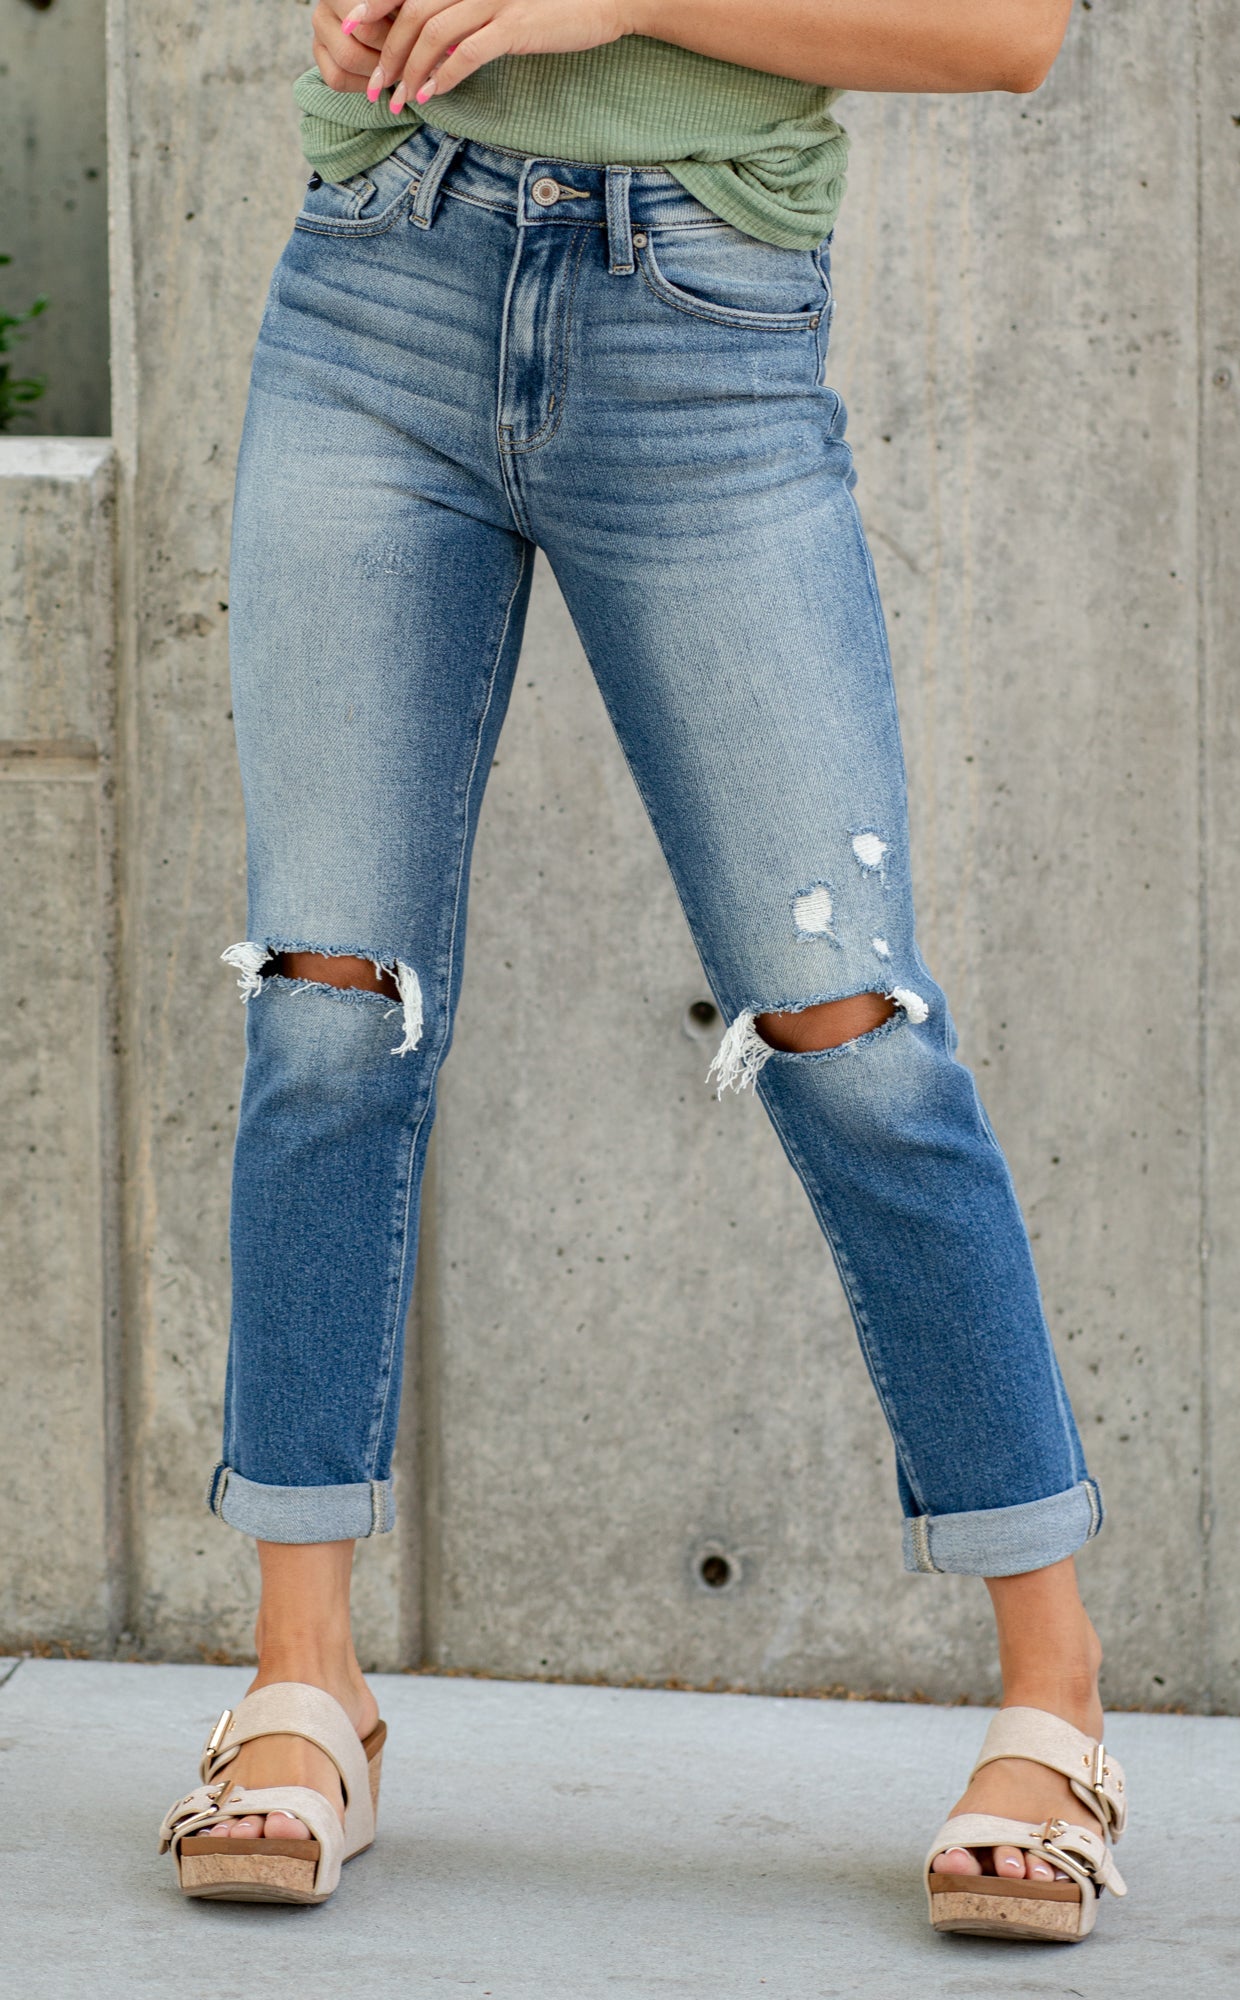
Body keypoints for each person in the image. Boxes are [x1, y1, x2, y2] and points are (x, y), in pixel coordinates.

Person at [157, 0, 1128, 1942]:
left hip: (699, 316)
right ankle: (300, 1681)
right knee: (329, 1008)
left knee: (847, 1029)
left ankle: (1058, 1695)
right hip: (378, 278)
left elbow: (1003, 32)